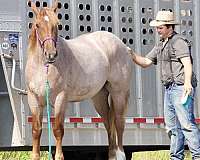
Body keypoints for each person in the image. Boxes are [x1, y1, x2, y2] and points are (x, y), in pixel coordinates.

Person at [130, 10, 200, 160]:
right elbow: (146, 62)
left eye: (160, 27)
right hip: (169, 89)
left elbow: (187, 64)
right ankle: (176, 157)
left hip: (181, 88)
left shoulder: (178, 42)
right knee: (173, 127)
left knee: (187, 125)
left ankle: (197, 156)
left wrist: (187, 84)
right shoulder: (161, 44)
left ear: (170, 27)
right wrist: (130, 54)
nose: (157, 30)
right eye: (157, 27)